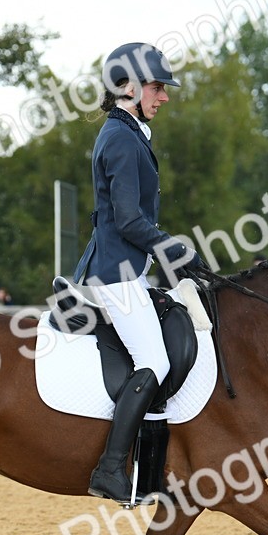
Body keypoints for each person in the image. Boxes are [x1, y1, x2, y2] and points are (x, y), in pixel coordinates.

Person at [72, 42, 202, 503]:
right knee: (156, 362)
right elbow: (127, 219)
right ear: (126, 87)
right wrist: (174, 250)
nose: (163, 96)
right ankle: (110, 470)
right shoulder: (122, 137)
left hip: (128, 270)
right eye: (155, 86)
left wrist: (170, 258)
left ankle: (149, 476)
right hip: (114, 275)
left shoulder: (127, 132)